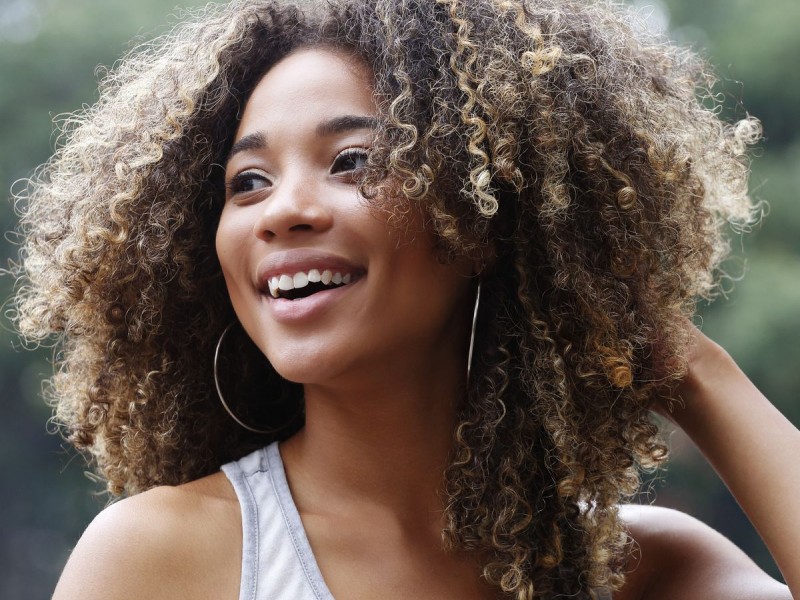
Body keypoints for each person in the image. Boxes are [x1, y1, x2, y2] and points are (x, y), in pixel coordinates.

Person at [11, 0, 798, 598]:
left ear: (485, 214)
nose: (283, 208)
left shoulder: (637, 569)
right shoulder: (160, 557)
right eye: (247, 181)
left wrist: (700, 376)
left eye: (352, 161)